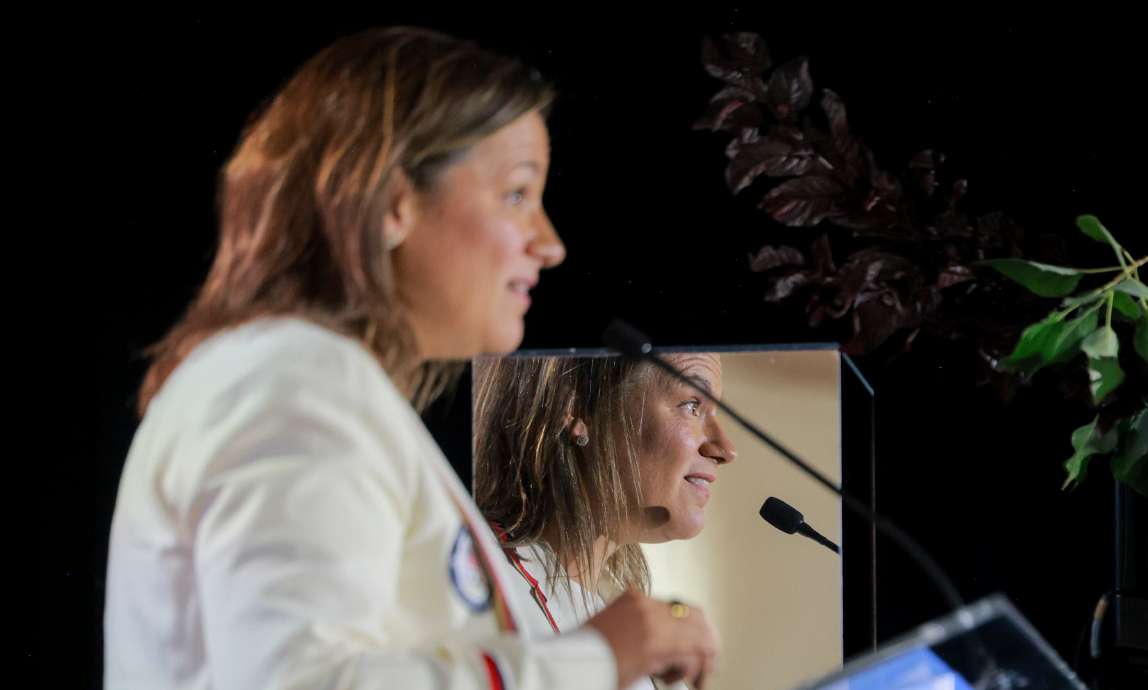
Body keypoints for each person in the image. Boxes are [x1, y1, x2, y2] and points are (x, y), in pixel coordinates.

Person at [105, 26, 717, 690]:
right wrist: (594, 659)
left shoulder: (317, 385)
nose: (548, 243)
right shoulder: (290, 385)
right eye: (516, 194)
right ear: (393, 202)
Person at [473, 353, 736, 689]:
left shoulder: (648, 650)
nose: (725, 448)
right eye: (691, 405)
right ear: (577, 407)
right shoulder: (481, 585)